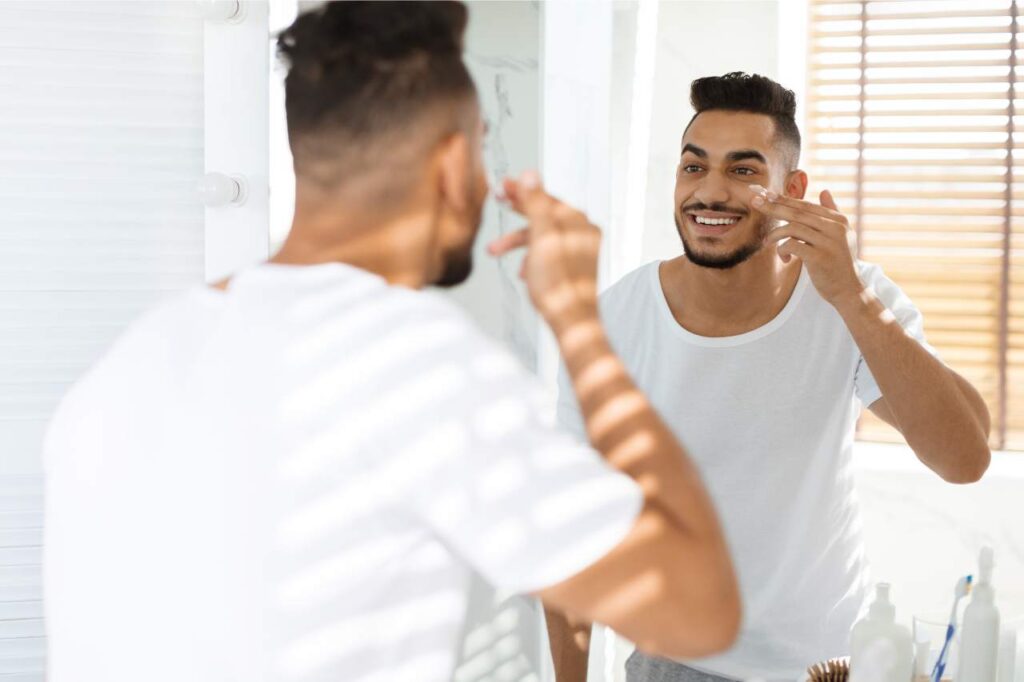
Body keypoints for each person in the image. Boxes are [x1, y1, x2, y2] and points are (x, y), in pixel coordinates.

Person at [42, 4, 740, 681]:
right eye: (484, 145)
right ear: (450, 163)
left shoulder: (138, 353)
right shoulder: (409, 364)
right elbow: (700, 613)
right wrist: (581, 324)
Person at [544, 72, 992, 682]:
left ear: (793, 188)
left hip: (829, 665)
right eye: (694, 168)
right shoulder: (614, 321)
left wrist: (852, 299)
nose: (711, 192)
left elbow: (963, 458)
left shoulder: (851, 298)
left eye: (744, 170)